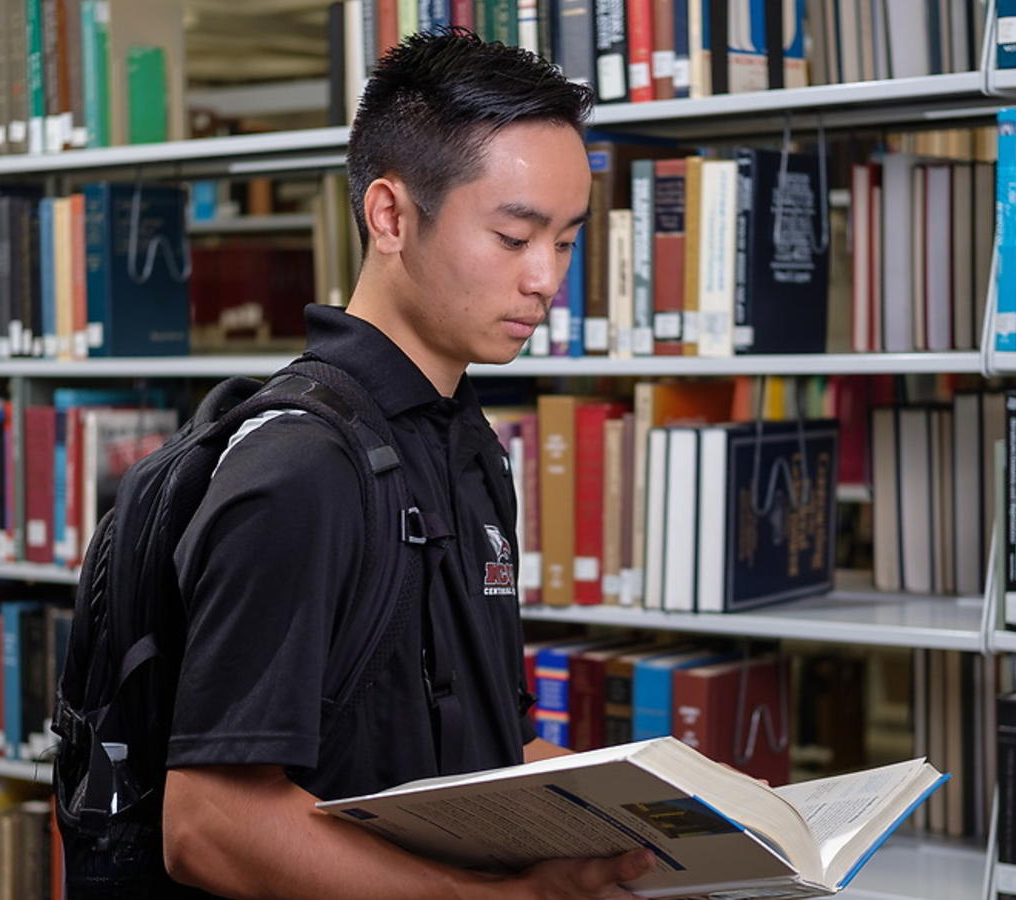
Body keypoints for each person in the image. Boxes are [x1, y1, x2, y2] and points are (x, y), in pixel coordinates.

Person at [160, 28, 656, 900]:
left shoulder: (467, 447)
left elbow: (476, 747)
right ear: (390, 215)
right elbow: (209, 825)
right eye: (513, 236)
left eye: (569, 241)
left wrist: (673, 816)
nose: (547, 278)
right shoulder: (298, 470)